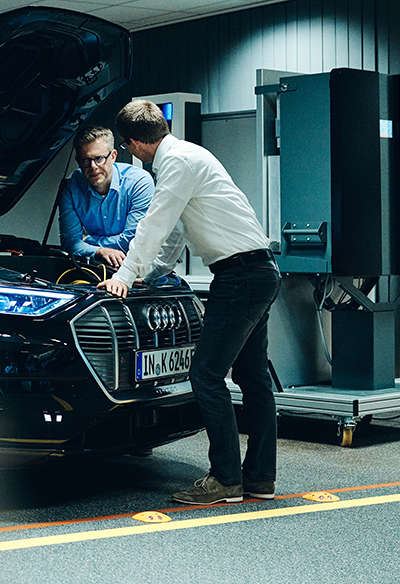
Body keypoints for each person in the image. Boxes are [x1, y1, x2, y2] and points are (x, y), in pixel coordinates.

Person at [98, 100, 282, 504]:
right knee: (253, 379)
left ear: (131, 145)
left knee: (206, 374)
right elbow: (178, 233)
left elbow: (155, 224)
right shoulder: (191, 155)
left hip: (239, 277)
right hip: (259, 270)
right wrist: (148, 275)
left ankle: (225, 480)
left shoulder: (177, 164)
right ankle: (259, 479)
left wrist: (124, 276)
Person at [58, 125, 154, 268]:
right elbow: (70, 242)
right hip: (92, 268)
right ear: (78, 160)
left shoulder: (139, 183)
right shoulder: (70, 188)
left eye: (99, 158)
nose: (93, 167)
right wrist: (99, 252)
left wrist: (88, 240)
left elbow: (133, 241)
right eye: (86, 160)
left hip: (138, 267)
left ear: (113, 156)